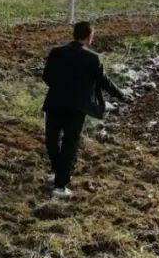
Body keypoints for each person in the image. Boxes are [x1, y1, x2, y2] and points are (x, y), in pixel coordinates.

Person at [42, 21, 126, 198]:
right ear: (90, 37)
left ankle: (58, 172)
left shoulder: (56, 52)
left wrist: (60, 88)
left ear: (74, 34)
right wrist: (121, 95)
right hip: (77, 107)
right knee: (69, 143)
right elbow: (104, 82)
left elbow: (46, 76)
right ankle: (60, 185)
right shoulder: (92, 58)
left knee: (52, 140)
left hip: (55, 102)